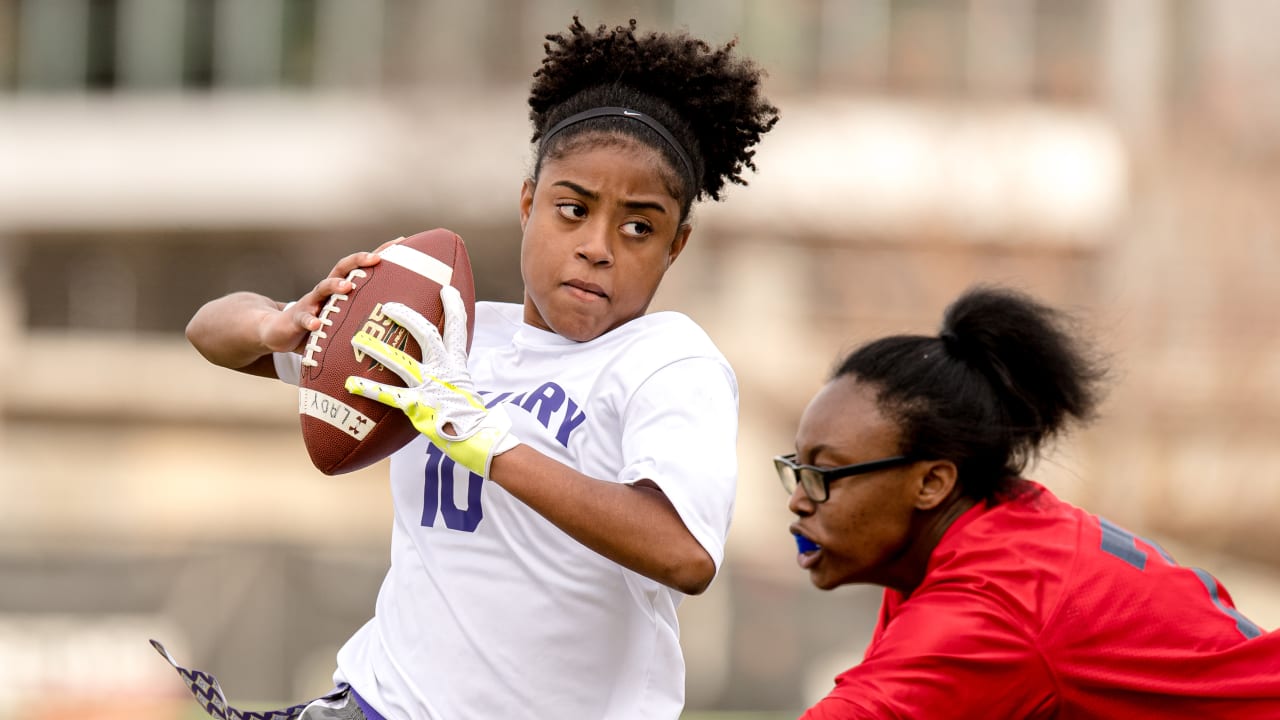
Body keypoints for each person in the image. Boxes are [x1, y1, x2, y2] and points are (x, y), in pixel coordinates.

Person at [169, 16, 778, 720]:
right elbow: (208, 329)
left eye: (639, 226)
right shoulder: (448, 330)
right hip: (382, 702)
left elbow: (683, 554)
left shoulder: (668, 360)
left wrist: (489, 442)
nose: (598, 247)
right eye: (572, 210)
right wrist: (281, 324)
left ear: (676, 246)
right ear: (528, 205)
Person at [778, 285, 1280, 719]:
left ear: (931, 482)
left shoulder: (995, 600)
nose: (799, 501)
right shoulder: (980, 541)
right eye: (797, 471)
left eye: (824, 473)